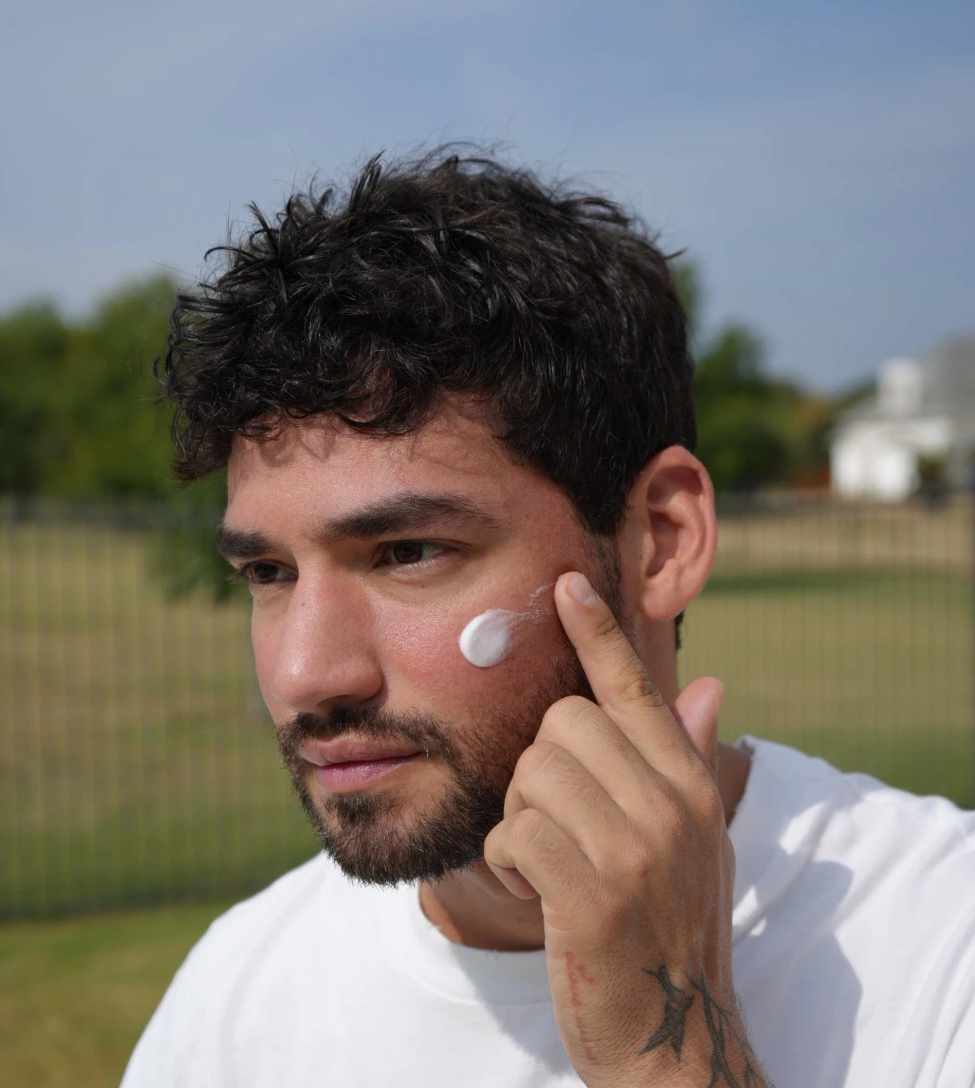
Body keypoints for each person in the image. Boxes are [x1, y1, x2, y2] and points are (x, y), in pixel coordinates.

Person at [121, 148, 975, 1088]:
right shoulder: (235, 1001)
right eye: (269, 572)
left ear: (661, 541)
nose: (305, 676)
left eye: (408, 551)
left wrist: (669, 1051)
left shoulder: (941, 944)